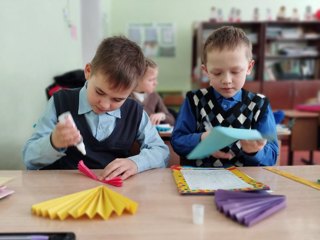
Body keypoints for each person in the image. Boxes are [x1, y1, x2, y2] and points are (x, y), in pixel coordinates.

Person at [23, 36, 169, 180]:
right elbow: (29, 158)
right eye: (99, 92)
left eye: (117, 99)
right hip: (65, 192)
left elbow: (161, 151)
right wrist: (53, 142)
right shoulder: (60, 101)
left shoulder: (134, 111)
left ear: (132, 89)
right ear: (88, 71)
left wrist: (135, 163)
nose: (104, 105)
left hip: (114, 191)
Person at [171, 26, 278, 167]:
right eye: (217, 73)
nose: (226, 80)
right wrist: (202, 138)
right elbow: (177, 141)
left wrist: (254, 152)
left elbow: (272, 156)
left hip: (245, 183)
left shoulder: (259, 104)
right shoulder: (194, 100)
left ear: (249, 67)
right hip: (200, 182)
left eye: (235, 71)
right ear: (206, 70)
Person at [131, 58, 175, 126]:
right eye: (151, 80)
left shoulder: (154, 96)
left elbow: (172, 120)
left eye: (156, 79)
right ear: (137, 79)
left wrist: (162, 115)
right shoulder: (125, 98)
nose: (156, 83)